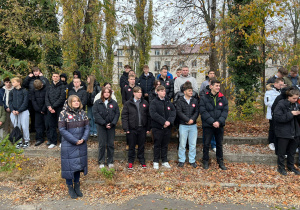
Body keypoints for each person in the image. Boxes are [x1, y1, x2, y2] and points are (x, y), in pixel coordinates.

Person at [58, 95, 89, 199]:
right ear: (69, 103)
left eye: (78, 101)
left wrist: (83, 139)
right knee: (69, 167)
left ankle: (77, 186)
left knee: (78, 166)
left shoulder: (82, 113)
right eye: (74, 101)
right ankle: (70, 187)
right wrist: (75, 141)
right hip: (69, 144)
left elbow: (87, 127)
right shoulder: (63, 113)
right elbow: (62, 130)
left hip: (81, 143)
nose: (76, 103)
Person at [199, 79, 228, 170]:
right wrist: (212, 122)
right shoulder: (204, 98)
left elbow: (225, 111)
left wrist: (219, 122)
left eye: (219, 86)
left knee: (219, 144)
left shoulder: (223, 98)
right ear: (211, 86)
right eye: (216, 86)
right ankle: (205, 161)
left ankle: (220, 161)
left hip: (219, 125)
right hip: (208, 125)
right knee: (206, 144)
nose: (218, 87)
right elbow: (203, 111)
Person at [122, 87, 151, 170]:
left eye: (141, 92)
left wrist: (148, 127)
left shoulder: (145, 102)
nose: (140, 94)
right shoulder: (128, 104)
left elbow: (148, 116)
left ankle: (142, 160)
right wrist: (126, 128)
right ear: (134, 93)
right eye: (138, 92)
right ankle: (131, 161)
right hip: (132, 129)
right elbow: (124, 116)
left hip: (142, 128)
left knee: (141, 145)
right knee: (131, 146)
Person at [273, 88, 300, 176]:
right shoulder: (281, 104)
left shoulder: (296, 104)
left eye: (297, 98)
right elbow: (277, 118)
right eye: (294, 98)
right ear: (289, 97)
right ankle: (281, 167)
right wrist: (291, 114)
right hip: (283, 132)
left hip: (295, 132)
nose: (296, 100)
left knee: (292, 152)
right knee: (282, 152)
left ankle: (290, 166)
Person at [150, 85, 176, 169]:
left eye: (164, 91)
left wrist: (169, 121)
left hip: (167, 127)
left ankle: (164, 160)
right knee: (157, 144)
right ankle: (156, 161)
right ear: (157, 92)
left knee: (165, 145)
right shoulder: (154, 102)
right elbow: (153, 114)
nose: (163, 92)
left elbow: (173, 112)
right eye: (161, 91)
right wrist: (163, 121)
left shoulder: (168, 102)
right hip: (157, 127)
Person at [93, 87, 120, 169]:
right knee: (102, 144)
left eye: (108, 92)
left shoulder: (114, 103)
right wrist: (104, 123)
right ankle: (101, 161)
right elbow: (96, 114)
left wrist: (112, 123)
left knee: (110, 144)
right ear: (102, 93)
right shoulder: (97, 103)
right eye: (105, 92)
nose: (107, 94)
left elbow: (117, 114)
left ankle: (110, 161)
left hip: (111, 126)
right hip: (101, 126)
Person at [176, 82, 199, 168]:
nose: (191, 92)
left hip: (193, 125)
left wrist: (192, 120)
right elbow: (179, 112)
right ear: (184, 91)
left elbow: (197, 111)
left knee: (193, 144)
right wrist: (187, 120)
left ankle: (192, 160)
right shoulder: (179, 101)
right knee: (182, 143)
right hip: (183, 125)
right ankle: (181, 160)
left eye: (191, 91)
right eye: (189, 91)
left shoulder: (195, 100)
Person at [22, 67, 49, 133]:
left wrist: (42, 77)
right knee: (32, 115)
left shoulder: (43, 78)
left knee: (42, 115)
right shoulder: (30, 79)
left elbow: (46, 85)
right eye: (34, 71)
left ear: (40, 72)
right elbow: (24, 85)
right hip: (31, 100)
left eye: (37, 71)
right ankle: (33, 128)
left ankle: (43, 130)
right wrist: (27, 77)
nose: (35, 72)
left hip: (41, 100)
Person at [45, 72, 66, 149]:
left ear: (59, 77)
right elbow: (46, 97)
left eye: (57, 76)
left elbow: (62, 98)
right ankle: (53, 142)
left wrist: (53, 106)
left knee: (61, 125)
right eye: (54, 76)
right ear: (52, 77)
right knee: (51, 125)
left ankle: (61, 141)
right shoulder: (49, 86)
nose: (55, 77)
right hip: (50, 109)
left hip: (59, 108)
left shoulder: (62, 86)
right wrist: (49, 107)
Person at [9, 77, 30, 148]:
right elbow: (10, 102)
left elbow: (25, 102)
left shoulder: (25, 91)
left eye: (14, 82)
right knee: (16, 127)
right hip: (14, 112)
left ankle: (26, 141)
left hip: (23, 111)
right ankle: (19, 141)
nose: (12, 84)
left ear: (19, 82)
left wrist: (19, 110)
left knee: (24, 126)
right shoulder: (11, 92)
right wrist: (13, 110)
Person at [264, 78, 284, 151]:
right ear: (275, 84)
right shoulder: (269, 92)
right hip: (272, 113)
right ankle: (271, 142)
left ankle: (278, 141)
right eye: (280, 84)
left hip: (281, 113)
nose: (281, 86)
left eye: (282, 84)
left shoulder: (282, 91)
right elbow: (267, 102)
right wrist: (278, 104)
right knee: (272, 128)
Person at [199, 78, 216, 152]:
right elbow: (203, 104)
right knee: (206, 132)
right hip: (206, 115)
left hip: (214, 115)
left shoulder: (217, 93)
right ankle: (205, 145)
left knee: (214, 131)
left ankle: (213, 145)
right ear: (209, 83)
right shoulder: (203, 92)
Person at [31, 80, 47, 146]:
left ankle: (49, 139)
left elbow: (47, 99)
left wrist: (43, 109)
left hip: (45, 109)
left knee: (47, 124)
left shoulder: (46, 89)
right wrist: (38, 109)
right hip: (37, 110)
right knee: (38, 125)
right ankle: (39, 139)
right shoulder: (33, 90)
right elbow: (33, 100)